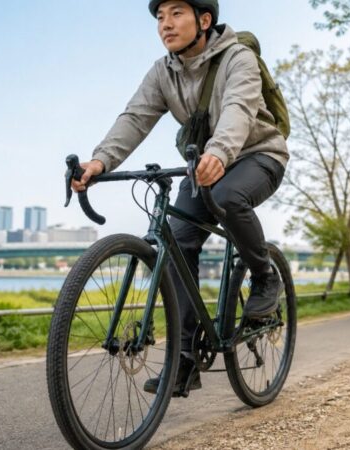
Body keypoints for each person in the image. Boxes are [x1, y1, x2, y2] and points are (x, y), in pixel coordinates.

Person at [70, 0, 289, 395]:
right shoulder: (162, 72)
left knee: (227, 196)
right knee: (177, 240)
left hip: (259, 155)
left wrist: (219, 153)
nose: (165, 25)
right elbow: (135, 118)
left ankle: (265, 277)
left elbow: (238, 110)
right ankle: (186, 359)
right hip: (204, 163)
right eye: (159, 17)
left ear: (204, 20)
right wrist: (100, 161)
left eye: (176, 14)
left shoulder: (238, 58)